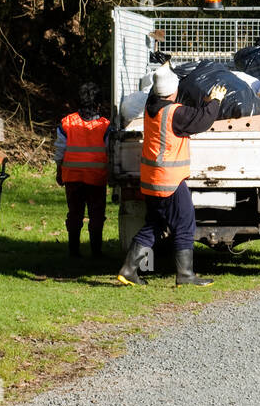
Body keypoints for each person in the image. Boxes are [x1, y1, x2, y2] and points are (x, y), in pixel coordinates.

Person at [117, 65, 226, 287]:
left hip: (152, 179)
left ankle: (128, 270)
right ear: (173, 91)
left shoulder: (151, 107)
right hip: (170, 180)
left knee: (156, 224)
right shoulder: (174, 113)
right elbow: (201, 121)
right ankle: (185, 275)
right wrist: (215, 101)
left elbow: (189, 116)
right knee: (185, 222)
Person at [54, 82, 112, 258]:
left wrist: (59, 171)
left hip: (72, 177)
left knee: (75, 213)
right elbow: (110, 151)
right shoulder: (105, 126)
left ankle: (73, 251)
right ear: (98, 104)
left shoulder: (67, 123)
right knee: (96, 214)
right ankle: (96, 251)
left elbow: (60, 151)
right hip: (96, 178)